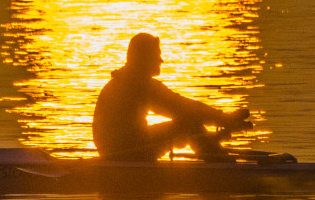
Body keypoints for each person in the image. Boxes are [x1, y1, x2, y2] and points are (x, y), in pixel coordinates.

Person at [93, 32, 252, 161]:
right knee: (188, 124)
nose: (161, 60)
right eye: (157, 54)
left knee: (191, 125)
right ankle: (221, 166)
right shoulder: (139, 84)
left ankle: (214, 154)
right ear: (144, 58)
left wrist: (208, 134)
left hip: (117, 149)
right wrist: (223, 119)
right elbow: (182, 108)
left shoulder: (124, 80)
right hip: (125, 152)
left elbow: (182, 108)